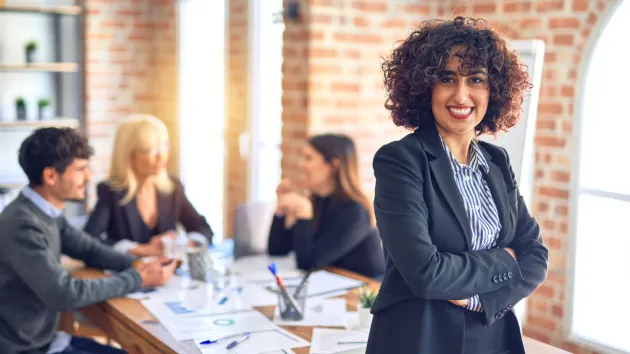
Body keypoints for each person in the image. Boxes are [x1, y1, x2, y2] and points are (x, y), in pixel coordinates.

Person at [366, 17, 549, 354]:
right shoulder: (401, 161)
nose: (461, 94)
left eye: (475, 79)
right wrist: (506, 260)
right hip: (421, 338)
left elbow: (536, 256)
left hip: (494, 336)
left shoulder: (497, 161)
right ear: (425, 87)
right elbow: (425, 273)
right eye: (447, 78)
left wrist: (476, 300)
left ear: (493, 89)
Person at [0, 127, 177, 354]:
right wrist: (138, 278)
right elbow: (64, 293)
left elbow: (88, 248)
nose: (89, 177)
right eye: (81, 169)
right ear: (51, 176)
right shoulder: (23, 225)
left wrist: (135, 265)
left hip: (48, 340)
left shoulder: (43, 212)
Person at [84, 115, 213, 257]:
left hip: (169, 274)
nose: (161, 156)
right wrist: (137, 249)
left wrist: (184, 243)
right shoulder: (111, 191)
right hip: (130, 274)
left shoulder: (173, 187)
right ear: (129, 155)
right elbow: (88, 241)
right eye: (150, 150)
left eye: (164, 146)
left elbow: (203, 228)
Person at [267, 134, 385, 279]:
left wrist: (304, 215)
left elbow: (307, 262)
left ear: (334, 166)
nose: (301, 165)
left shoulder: (356, 212)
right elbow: (277, 250)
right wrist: (281, 210)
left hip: (366, 293)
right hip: (335, 284)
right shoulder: (318, 201)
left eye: (308, 158)